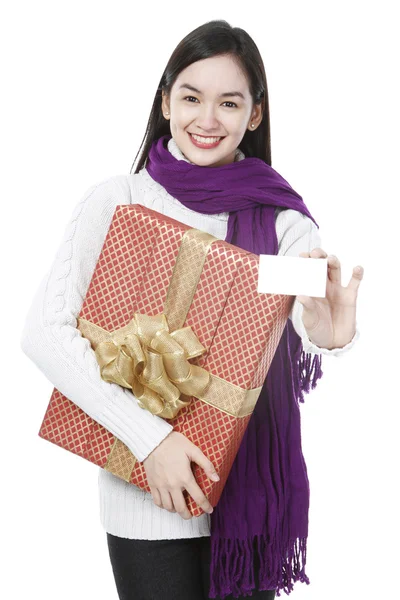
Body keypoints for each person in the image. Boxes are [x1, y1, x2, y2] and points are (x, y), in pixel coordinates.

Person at [20, 19, 363, 600]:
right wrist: (151, 442)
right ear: (165, 102)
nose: (208, 120)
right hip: (144, 497)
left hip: (252, 509)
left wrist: (331, 334)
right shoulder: (118, 200)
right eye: (191, 97)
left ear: (254, 114)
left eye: (229, 102)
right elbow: (44, 334)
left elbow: (305, 325)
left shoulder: (284, 221)